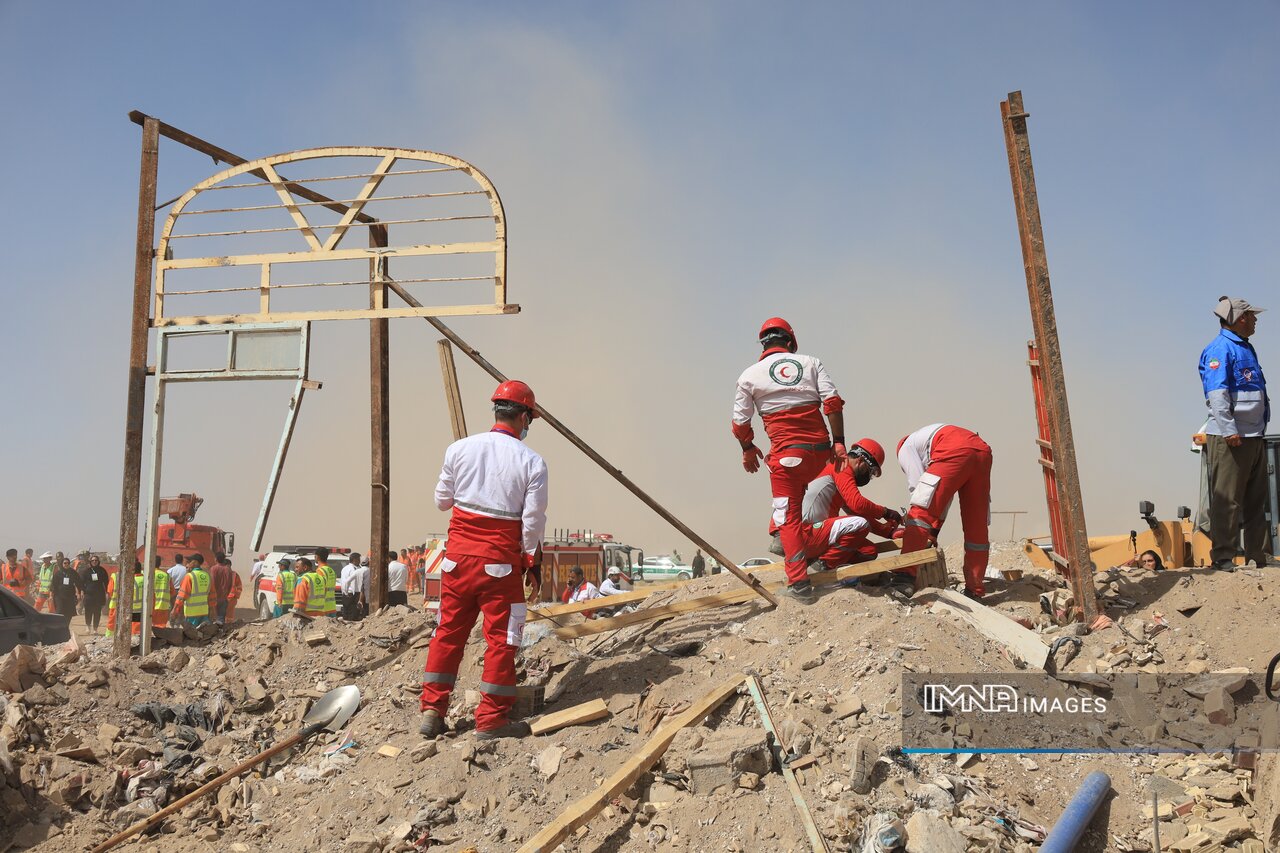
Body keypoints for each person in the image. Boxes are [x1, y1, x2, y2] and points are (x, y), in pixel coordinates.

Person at [421, 379, 547, 741]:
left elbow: (442, 501)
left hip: (456, 562)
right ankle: (491, 721)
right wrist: (528, 559)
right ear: (524, 416)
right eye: (529, 419)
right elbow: (533, 522)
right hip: (500, 565)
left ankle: (432, 711)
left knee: (447, 633)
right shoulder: (532, 462)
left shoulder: (459, 449)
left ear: (496, 410)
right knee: (503, 640)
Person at [732, 317, 847, 602]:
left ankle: (799, 584)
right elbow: (832, 402)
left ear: (763, 344)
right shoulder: (811, 362)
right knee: (818, 495)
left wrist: (748, 448)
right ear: (790, 341)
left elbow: (739, 423)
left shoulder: (749, 375)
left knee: (788, 518)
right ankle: (820, 551)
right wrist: (840, 443)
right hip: (820, 453)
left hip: (786, 460)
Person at [1199, 296, 1272, 571]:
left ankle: (1257, 555)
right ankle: (1224, 556)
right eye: (1252, 316)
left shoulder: (1246, 348)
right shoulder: (1219, 350)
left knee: (1256, 500)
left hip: (1253, 435)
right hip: (1232, 437)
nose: (1255, 320)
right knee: (1227, 499)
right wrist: (1229, 431)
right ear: (1239, 319)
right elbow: (1217, 394)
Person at [897, 423, 993, 599]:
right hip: (982, 451)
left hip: (955, 449)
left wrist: (925, 531)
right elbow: (943, 496)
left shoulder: (905, 448)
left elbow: (919, 490)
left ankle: (903, 579)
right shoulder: (928, 439)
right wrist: (933, 532)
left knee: (918, 513)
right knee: (976, 526)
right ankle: (975, 590)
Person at [171, 555, 212, 627]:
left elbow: (181, 596)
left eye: (189, 562)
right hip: (204, 613)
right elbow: (211, 595)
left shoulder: (189, 576)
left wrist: (175, 610)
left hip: (192, 614)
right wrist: (212, 610)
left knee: (192, 635)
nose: (187, 564)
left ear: (195, 562)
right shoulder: (207, 576)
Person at [81, 556, 109, 633]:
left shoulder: (102, 570)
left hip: (99, 595)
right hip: (89, 594)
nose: (94, 562)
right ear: (90, 562)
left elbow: (106, 582)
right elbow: (82, 583)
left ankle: (95, 628)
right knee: (88, 611)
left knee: (97, 612)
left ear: (98, 561)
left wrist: (107, 592)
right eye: (93, 560)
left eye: (96, 560)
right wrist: (82, 591)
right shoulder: (86, 571)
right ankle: (88, 626)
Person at [313, 548, 338, 617]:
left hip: (323, 607)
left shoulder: (320, 571)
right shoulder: (331, 570)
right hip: (332, 606)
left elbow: (320, 589)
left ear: (317, 557)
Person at [208, 553, 233, 624]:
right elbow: (230, 584)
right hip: (224, 597)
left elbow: (212, 583)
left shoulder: (213, 569)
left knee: (211, 618)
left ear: (216, 559)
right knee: (221, 618)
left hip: (214, 597)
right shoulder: (228, 569)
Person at [341, 553, 363, 620]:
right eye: (359, 559)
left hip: (346, 593)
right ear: (354, 560)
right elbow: (351, 582)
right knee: (353, 614)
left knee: (346, 612)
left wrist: (345, 592)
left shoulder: (345, 568)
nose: (360, 561)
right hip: (352, 593)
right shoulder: (353, 569)